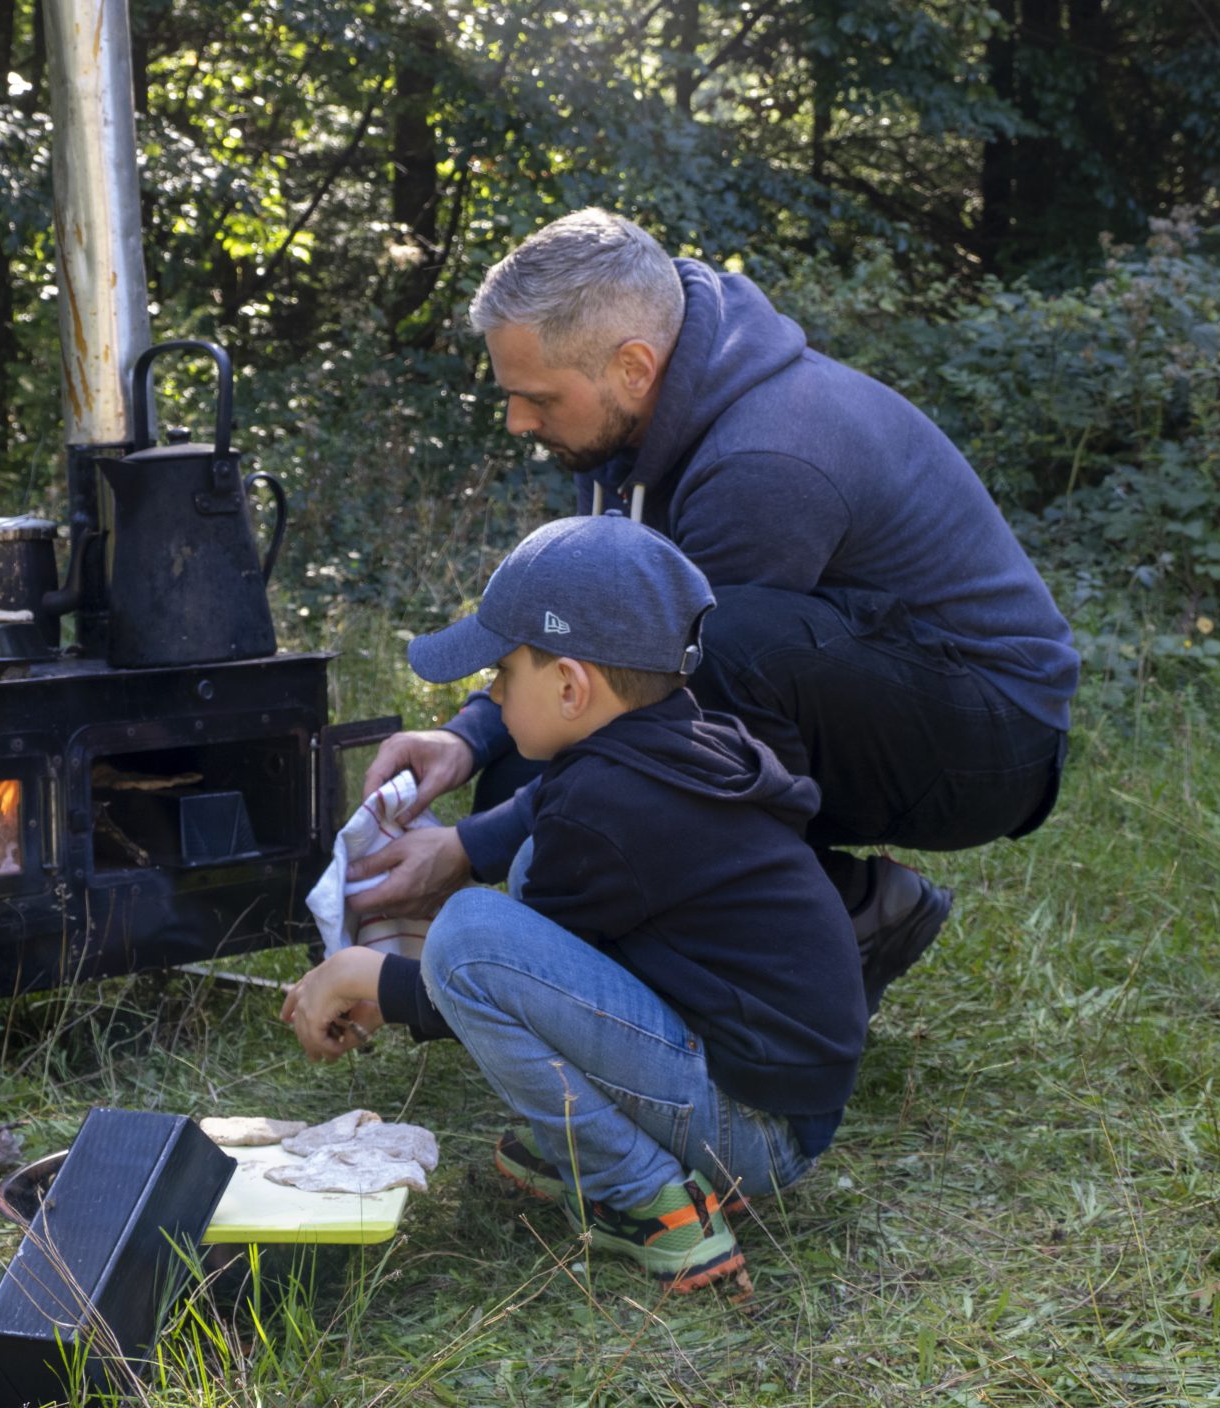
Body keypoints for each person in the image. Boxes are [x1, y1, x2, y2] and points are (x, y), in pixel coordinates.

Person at [349, 209, 1078, 1011]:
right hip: (852, 680)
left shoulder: (764, 461)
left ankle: (824, 936)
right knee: (531, 758)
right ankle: (849, 903)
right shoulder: (630, 419)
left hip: (986, 731)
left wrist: (467, 851)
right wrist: (468, 737)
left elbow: (668, 707)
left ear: (633, 366)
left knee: (699, 669)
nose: (521, 423)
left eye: (537, 399)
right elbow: (580, 631)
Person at [282, 515, 866, 1291]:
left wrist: (366, 977)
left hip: (753, 1129)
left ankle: (648, 1200)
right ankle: (615, 1150)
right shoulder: (669, 748)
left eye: (500, 675)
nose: (489, 693)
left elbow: (484, 980)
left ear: (569, 686)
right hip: (777, 1100)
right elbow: (550, 935)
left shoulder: (606, 808)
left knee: (467, 937)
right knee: (522, 876)